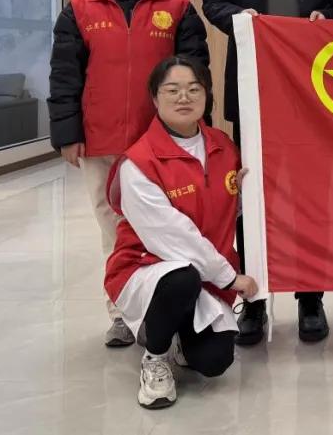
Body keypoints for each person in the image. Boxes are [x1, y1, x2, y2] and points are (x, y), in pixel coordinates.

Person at [203, 0, 333, 346]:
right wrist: (240, 19)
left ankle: (311, 299)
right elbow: (213, 1)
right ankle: (255, 300)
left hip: (314, 98)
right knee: (251, 198)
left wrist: (328, 21)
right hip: (252, 94)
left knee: (312, 199)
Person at [49, 0, 209, 348]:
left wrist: (198, 133)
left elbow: (196, 74)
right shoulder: (81, 5)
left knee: (167, 226)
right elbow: (65, 74)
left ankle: (169, 310)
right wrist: (67, 133)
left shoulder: (178, 6)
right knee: (114, 228)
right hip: (100, 139)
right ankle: (120, 311)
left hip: (159, 143)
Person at [105, 56, 258, 408]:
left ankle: (175, 332)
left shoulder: (223, 146)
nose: (184, 98)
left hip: (204, 272)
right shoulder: (139, 163)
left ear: (207, 96)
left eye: (194, 89)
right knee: (181, 278)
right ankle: (155, 356)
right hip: (149, 268)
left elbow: (225, 209)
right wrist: (230, 278)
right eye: (172, 90)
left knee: (214, 362)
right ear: (155, 98)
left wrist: (247, 197)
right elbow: (173, 237)